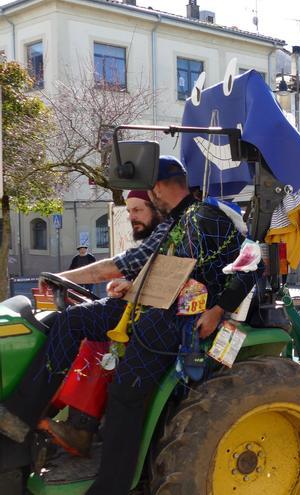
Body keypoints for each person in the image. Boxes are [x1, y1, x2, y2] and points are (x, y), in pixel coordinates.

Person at [0, 156, 258, 494]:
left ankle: (111, 485)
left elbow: (252, 265)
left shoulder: (206, 217)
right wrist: (101, 282)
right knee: (70, 321)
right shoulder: (171, 224)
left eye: (151, 193)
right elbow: (133, 266)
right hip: (141, 308)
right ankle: (21, 415)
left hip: (176, 320)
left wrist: (217, 310)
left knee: (124, 391)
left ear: (160, 186)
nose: (150, 199)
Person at [38, 190, 162, 457]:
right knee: (91, 340)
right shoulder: (153, 238)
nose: (132, 217)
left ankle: (38, 404)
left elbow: (106, 269)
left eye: (138, 210)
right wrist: (126, 285)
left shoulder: (165, 235)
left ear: (156, 209)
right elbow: (144, 276)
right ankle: (75, 424)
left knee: (73, 321)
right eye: (129, 211)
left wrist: (60, 276)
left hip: (153, 321)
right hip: (137, 312)